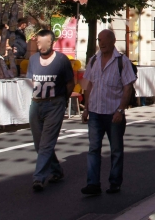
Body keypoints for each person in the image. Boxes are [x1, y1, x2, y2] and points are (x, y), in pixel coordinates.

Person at [81, 29, 137, 196]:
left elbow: (127, 87)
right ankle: (93, 184)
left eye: (105, 40)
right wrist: (86, 108)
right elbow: (89, 85)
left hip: (114, 113)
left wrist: (121, 109)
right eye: (99, 40)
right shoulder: (93, 60)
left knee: (116, 150)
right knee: (93, 149)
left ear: (113, 41)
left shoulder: (122, 62)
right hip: (96, 113)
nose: (102, 43)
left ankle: (114, 182)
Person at [27, 29, 75, 192]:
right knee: (39, 143)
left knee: (47, 143)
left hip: (55, 104)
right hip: (36, 104)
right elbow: (31, 81)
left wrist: (63, 100)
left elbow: (70, 83)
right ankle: (56, 170)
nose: (41, 46)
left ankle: (38, 178)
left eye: (44, 43)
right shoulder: (33, 60)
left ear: (52, 43)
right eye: (39, 43)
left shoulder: (61, 60)